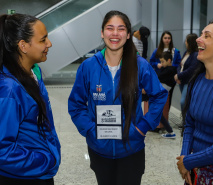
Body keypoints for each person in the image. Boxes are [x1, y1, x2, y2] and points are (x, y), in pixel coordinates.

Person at [68, 10, 168, 185]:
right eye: (110, 28)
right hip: (99, 150)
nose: (115, 33)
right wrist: (91, 130)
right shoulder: (88, 67)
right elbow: (76, 104)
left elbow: (159, 95)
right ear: (102, 33)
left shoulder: (140, 65)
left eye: (121, 29)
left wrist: (142, 127)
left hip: (132, 149)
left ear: (128, 34)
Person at [0, 14, 61, 185]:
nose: (49, 44)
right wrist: (44, 161)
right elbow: (2, 149)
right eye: (43, 40)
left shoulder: (34, 73)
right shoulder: (9, 89)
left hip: (38, 173)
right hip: (22, 176)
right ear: (23, 46)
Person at [176, 19, 213, 185]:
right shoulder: (197, 80)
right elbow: (190, 124)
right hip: (194, 168)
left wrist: (189, 162)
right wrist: (185, 157)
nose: (198, 39)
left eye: (207, 36)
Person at [174, 33, 199, 114]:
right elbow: (180, 65)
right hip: (182, 81)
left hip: (188, 81)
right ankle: (185, 122)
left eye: (186, 41)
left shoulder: (195, 54)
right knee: (186, 102)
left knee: (183, 102)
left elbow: (191, 69)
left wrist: (178, 75)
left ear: (190, 42)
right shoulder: (186, 52)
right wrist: (178, 76)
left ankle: (186, 122)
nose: (185, 42)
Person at [157, 51, 177, 138]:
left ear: (169, 60)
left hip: (160, 93)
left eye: (162, 61)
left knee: (158, 112)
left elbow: (158, 76)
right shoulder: (168, 69)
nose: (161, 64)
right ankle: (169, 131)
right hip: (160, 93)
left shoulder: (171, 70)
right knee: (157, 112)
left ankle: (170, 131)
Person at [132, 26, 151, 114]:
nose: (142, 40)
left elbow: (144, 56)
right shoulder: (129, 39)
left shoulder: (144, 41)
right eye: (142, 37)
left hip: (139, 70)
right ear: (138, 32)